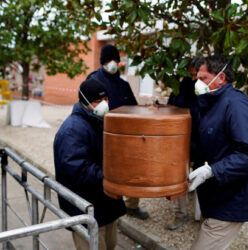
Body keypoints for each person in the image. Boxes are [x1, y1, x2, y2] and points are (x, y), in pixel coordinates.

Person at [188, 55, 248, 250]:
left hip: (231, 201)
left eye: (203, 78)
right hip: (214, 196)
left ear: (221, 78)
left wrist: (211, 170)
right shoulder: (212, 103)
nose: (198, 83)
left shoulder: (238, 106)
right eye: (197, 78)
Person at [54, 78, 126, 250]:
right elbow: (78, 168)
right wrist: (111, 178)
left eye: (106, 99)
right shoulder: (72, 130)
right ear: (85, 102)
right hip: (86, 207)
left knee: (110, 244)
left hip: (105, 203)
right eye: (97, 101)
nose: (104, 104)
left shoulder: (100, 121)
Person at [88, 44, 149, 220]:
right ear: (102, 62)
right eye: (108, 60)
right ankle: (107, 204)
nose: (112, 63)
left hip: (125, 135)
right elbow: (86, 106)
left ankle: (131, 205)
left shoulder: (123, 85)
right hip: (102, 134)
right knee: (107, 171)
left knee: (132, 169)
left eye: (115, 59)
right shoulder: (93, 81)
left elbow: (133, 108)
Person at [166, 56, 202, 230]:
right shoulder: (180, 86)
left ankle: (205, 215)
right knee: (178, 177)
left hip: (202, 140)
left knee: (205, 177)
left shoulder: (206, 87)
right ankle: (180, 214)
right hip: (181, 141)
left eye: (197, 74)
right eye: (191, 74)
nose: (193, 78)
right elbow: (171, 106)